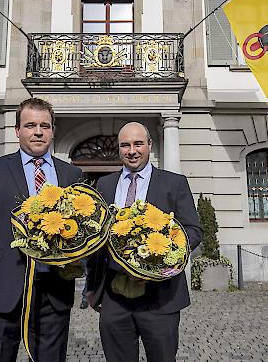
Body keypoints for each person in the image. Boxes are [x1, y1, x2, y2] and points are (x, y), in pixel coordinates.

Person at [0, 98, 82, 362]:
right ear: (17, 131)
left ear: (53, 130)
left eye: (45, 125)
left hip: (53, 293)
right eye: (30, 125)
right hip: (1, 290)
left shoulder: (72, 175)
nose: (38, 132)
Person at [86, 122, 203, 362]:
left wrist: (163, 254)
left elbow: (193, 229)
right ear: (119, 149)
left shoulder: (174, 183)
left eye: (138, 143)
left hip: (160, 297)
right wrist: (92, 287)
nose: (132, 150)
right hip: (114, 297)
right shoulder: (105, 185)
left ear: (149, 145)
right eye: (125, 145)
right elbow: (95, 239)